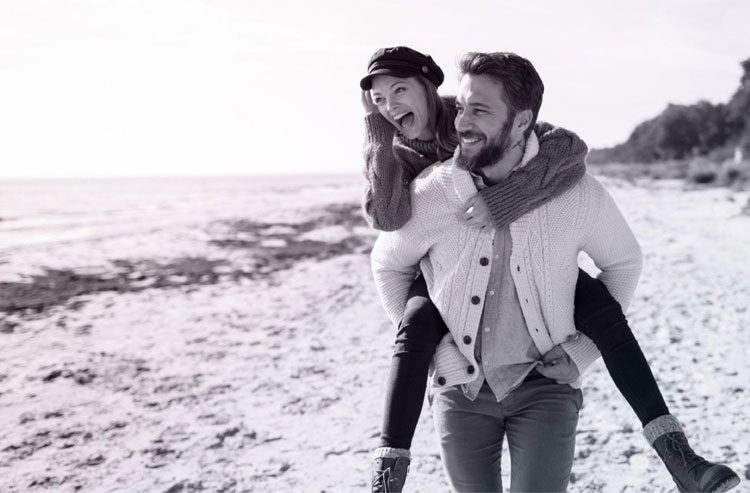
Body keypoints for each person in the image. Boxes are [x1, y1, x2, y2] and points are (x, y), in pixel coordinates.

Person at [363, 47, 740, 492]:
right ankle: (387, 476)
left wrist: (581, 353)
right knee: (417, 320)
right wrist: (440, 355)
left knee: (598, 305)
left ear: (522, 121)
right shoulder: (428, 185)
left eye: (479, 110)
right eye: (462, 108)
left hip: (544, 387)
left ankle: (679, 456)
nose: (462, 121)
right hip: (462, 390)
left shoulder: (570, 188)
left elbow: (622, 258)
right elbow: (387, 259)